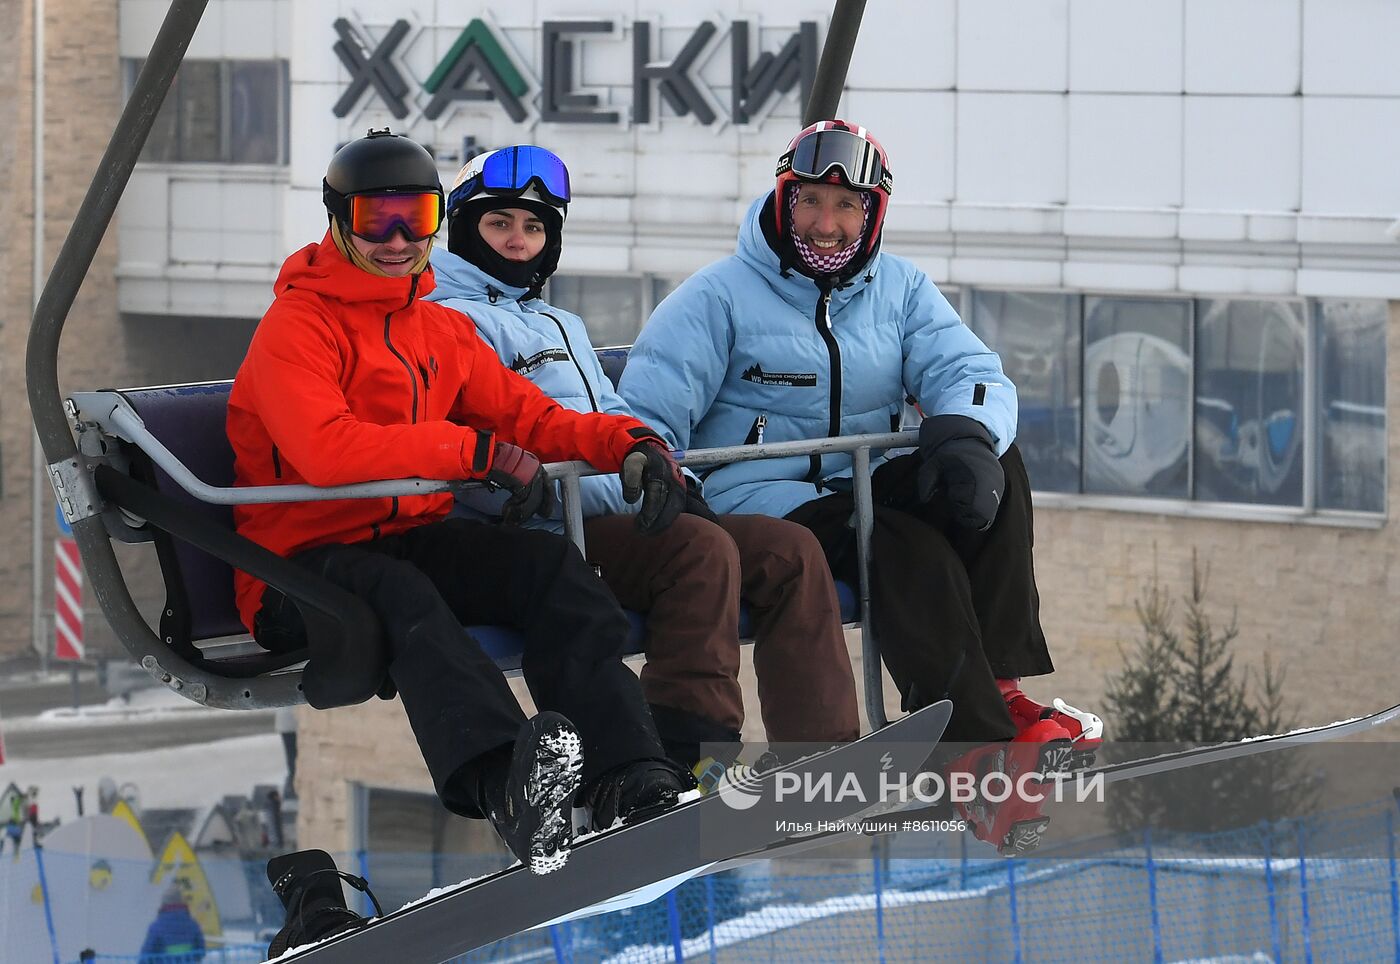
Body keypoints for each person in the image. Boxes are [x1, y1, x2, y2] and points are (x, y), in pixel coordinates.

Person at [617, 119, 1104, 855]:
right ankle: (968, 748)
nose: (826, 224)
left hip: (865, 479)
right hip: (765, 498)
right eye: (810, 203)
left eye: (847, 208)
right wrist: (669, 484)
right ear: (783, 202)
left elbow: (967, 371)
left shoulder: (899, 289)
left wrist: (965, 431)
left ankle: (999, 687)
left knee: (995, 464)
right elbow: (647, 419)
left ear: (873, 214)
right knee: (901, 540)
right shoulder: (717, 298)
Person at [228, 128, 692, 896]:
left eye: (416, 214)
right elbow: (327, 452)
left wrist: (629, 442)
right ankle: (505, 785)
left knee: (548, 567)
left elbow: (535, 419)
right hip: (295, 569)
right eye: (378, 219)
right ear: (340, 220)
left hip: (407, 535)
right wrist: (469, 453)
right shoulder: (296, 328)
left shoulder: (439, 327)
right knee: (405, 599)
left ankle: (627, 774)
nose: (399, 238)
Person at [423, 145, 861, 777]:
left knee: (787, 551)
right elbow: (472, 460)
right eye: (500, 223)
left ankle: (821, 756)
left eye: (535, 226)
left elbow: (611, 421)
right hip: (539, 530)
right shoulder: (445, 325)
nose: (519, 241)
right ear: (464, 230)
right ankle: (688, 751)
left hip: (608, 509)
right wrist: (599, 491)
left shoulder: (559, 323)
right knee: (695, 552)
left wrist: (668, 476)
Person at [138, 883, 206, 964]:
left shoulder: (157, 926)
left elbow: (147, 953)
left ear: (164, 904)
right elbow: (201, 950)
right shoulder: (192, 924)